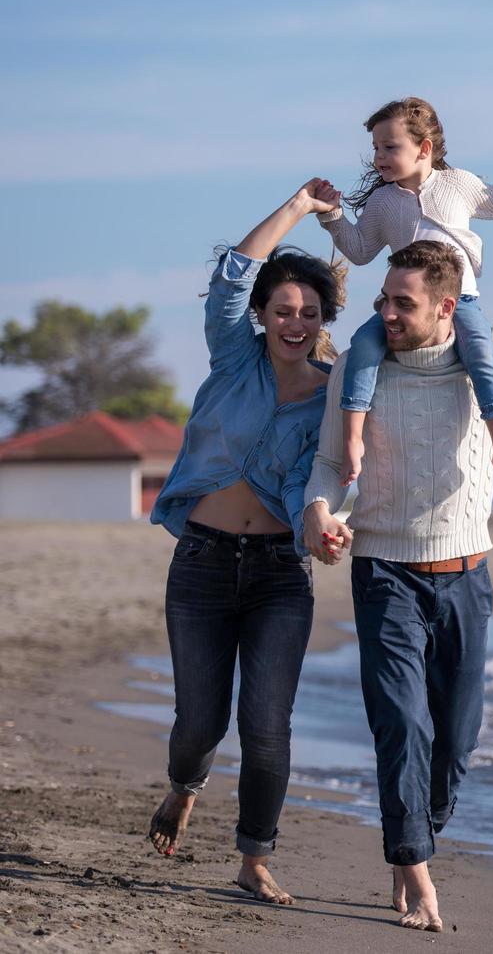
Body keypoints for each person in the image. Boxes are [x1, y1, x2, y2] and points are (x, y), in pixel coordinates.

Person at [302, 145, 493, 932]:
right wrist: (318, 511)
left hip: (467, 575)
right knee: (399, 722)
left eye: (402, 304)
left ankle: (418, 831)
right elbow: (333, 463)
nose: (385, 315)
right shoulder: (358, 373)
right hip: (384, 573)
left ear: (446, 307)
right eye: (384, 299)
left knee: (455, 742)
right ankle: (412, 865)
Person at [146, 181, 355, 905]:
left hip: (276, 576)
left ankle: (254, 859)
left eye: (309, 312)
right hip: (200, 564)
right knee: (197, 721)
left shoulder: (335, 397)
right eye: (282, 310)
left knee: (265, 725)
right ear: (262, 316)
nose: (295, 322)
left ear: (325, 317)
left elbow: (313, 484)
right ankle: (185, 786)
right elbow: (233, 274)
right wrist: (300, 207)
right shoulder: (233, 361)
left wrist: (320, 527)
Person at [312, 96, 493, 490]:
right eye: (376, 148)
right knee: (362, 345)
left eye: (390, 147)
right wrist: (332, 217)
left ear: (423, 148)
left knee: (482, 354)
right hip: (404, 306)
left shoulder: (457, 184)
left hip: (458, 301)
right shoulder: (382, 202)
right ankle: (353, 440)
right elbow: (360, 251)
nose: (379, 157)